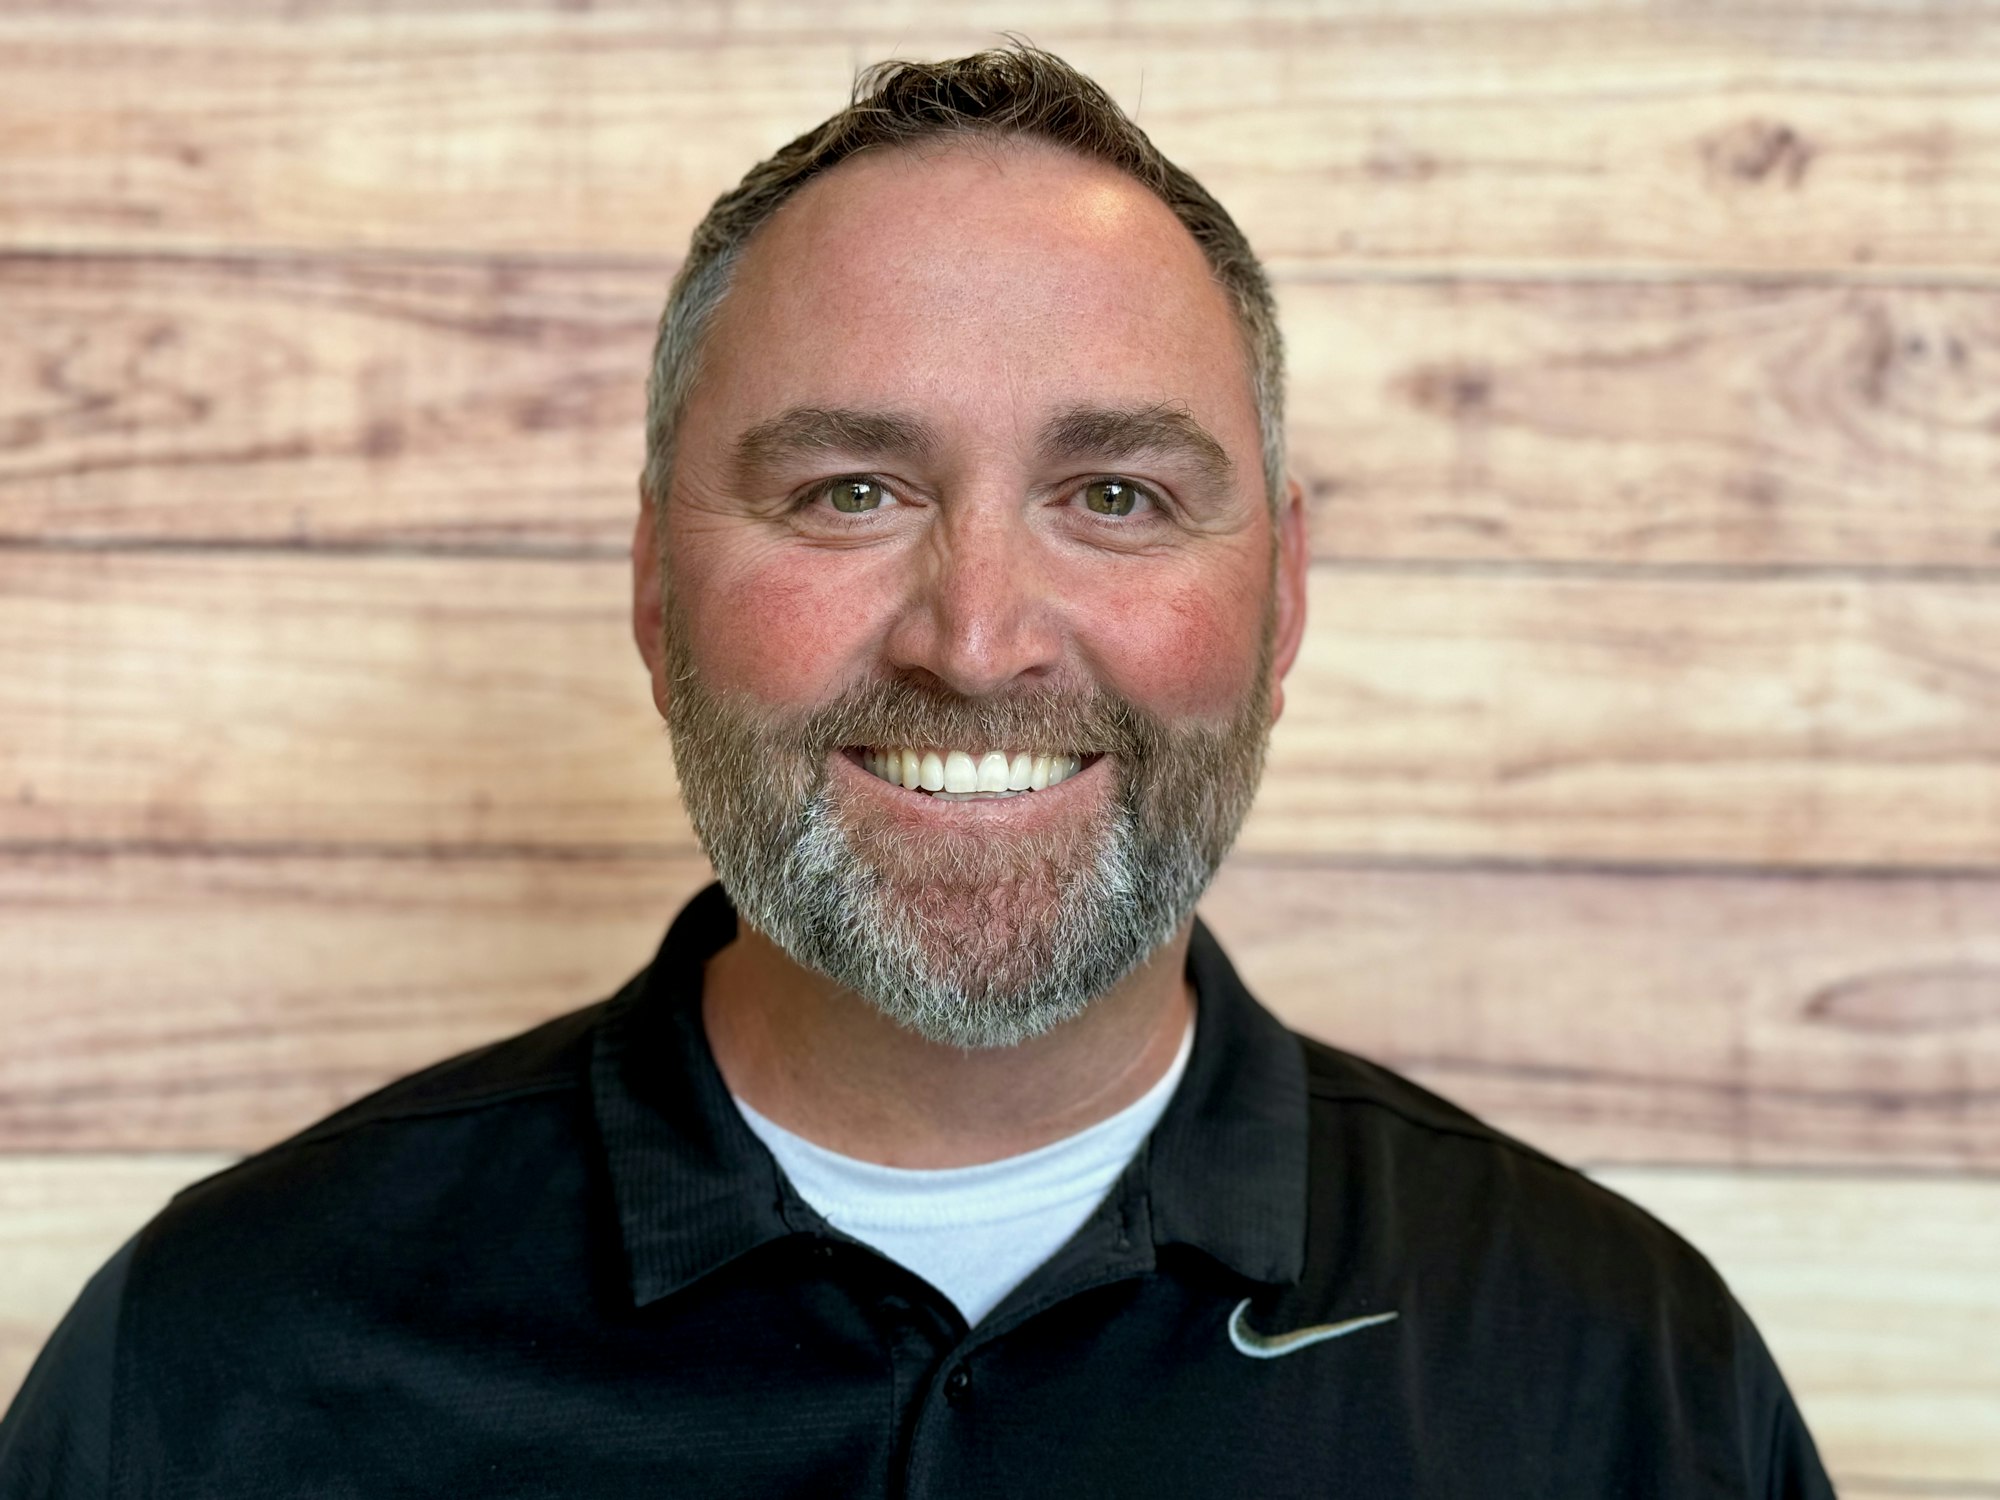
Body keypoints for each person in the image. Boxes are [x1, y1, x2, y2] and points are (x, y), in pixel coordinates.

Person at [1, 45, 1832, 1498]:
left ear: (1280, 601)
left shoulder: (1622, 1383)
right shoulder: (219, 1357)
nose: (976, 637)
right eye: (848, 492)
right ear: (656, 589)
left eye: (1115, 496)